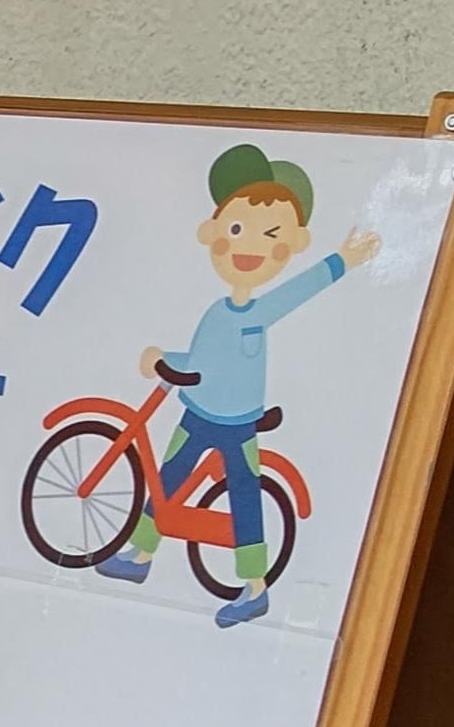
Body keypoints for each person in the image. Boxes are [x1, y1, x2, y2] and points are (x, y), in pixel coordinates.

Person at [95, 143, 378, 626]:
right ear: (212, 234)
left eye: (269, 235)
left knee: (244, 493)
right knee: (168, 479)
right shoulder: (217, 312)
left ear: (291, 245)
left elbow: (295, 292)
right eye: (236, 230)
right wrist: (164, 360)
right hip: (197, 410)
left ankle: (255, 586)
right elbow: (201, 359)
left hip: (236, 421)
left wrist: (342, 261)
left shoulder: (258, 312)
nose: (248, 247)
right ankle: (139, 556)